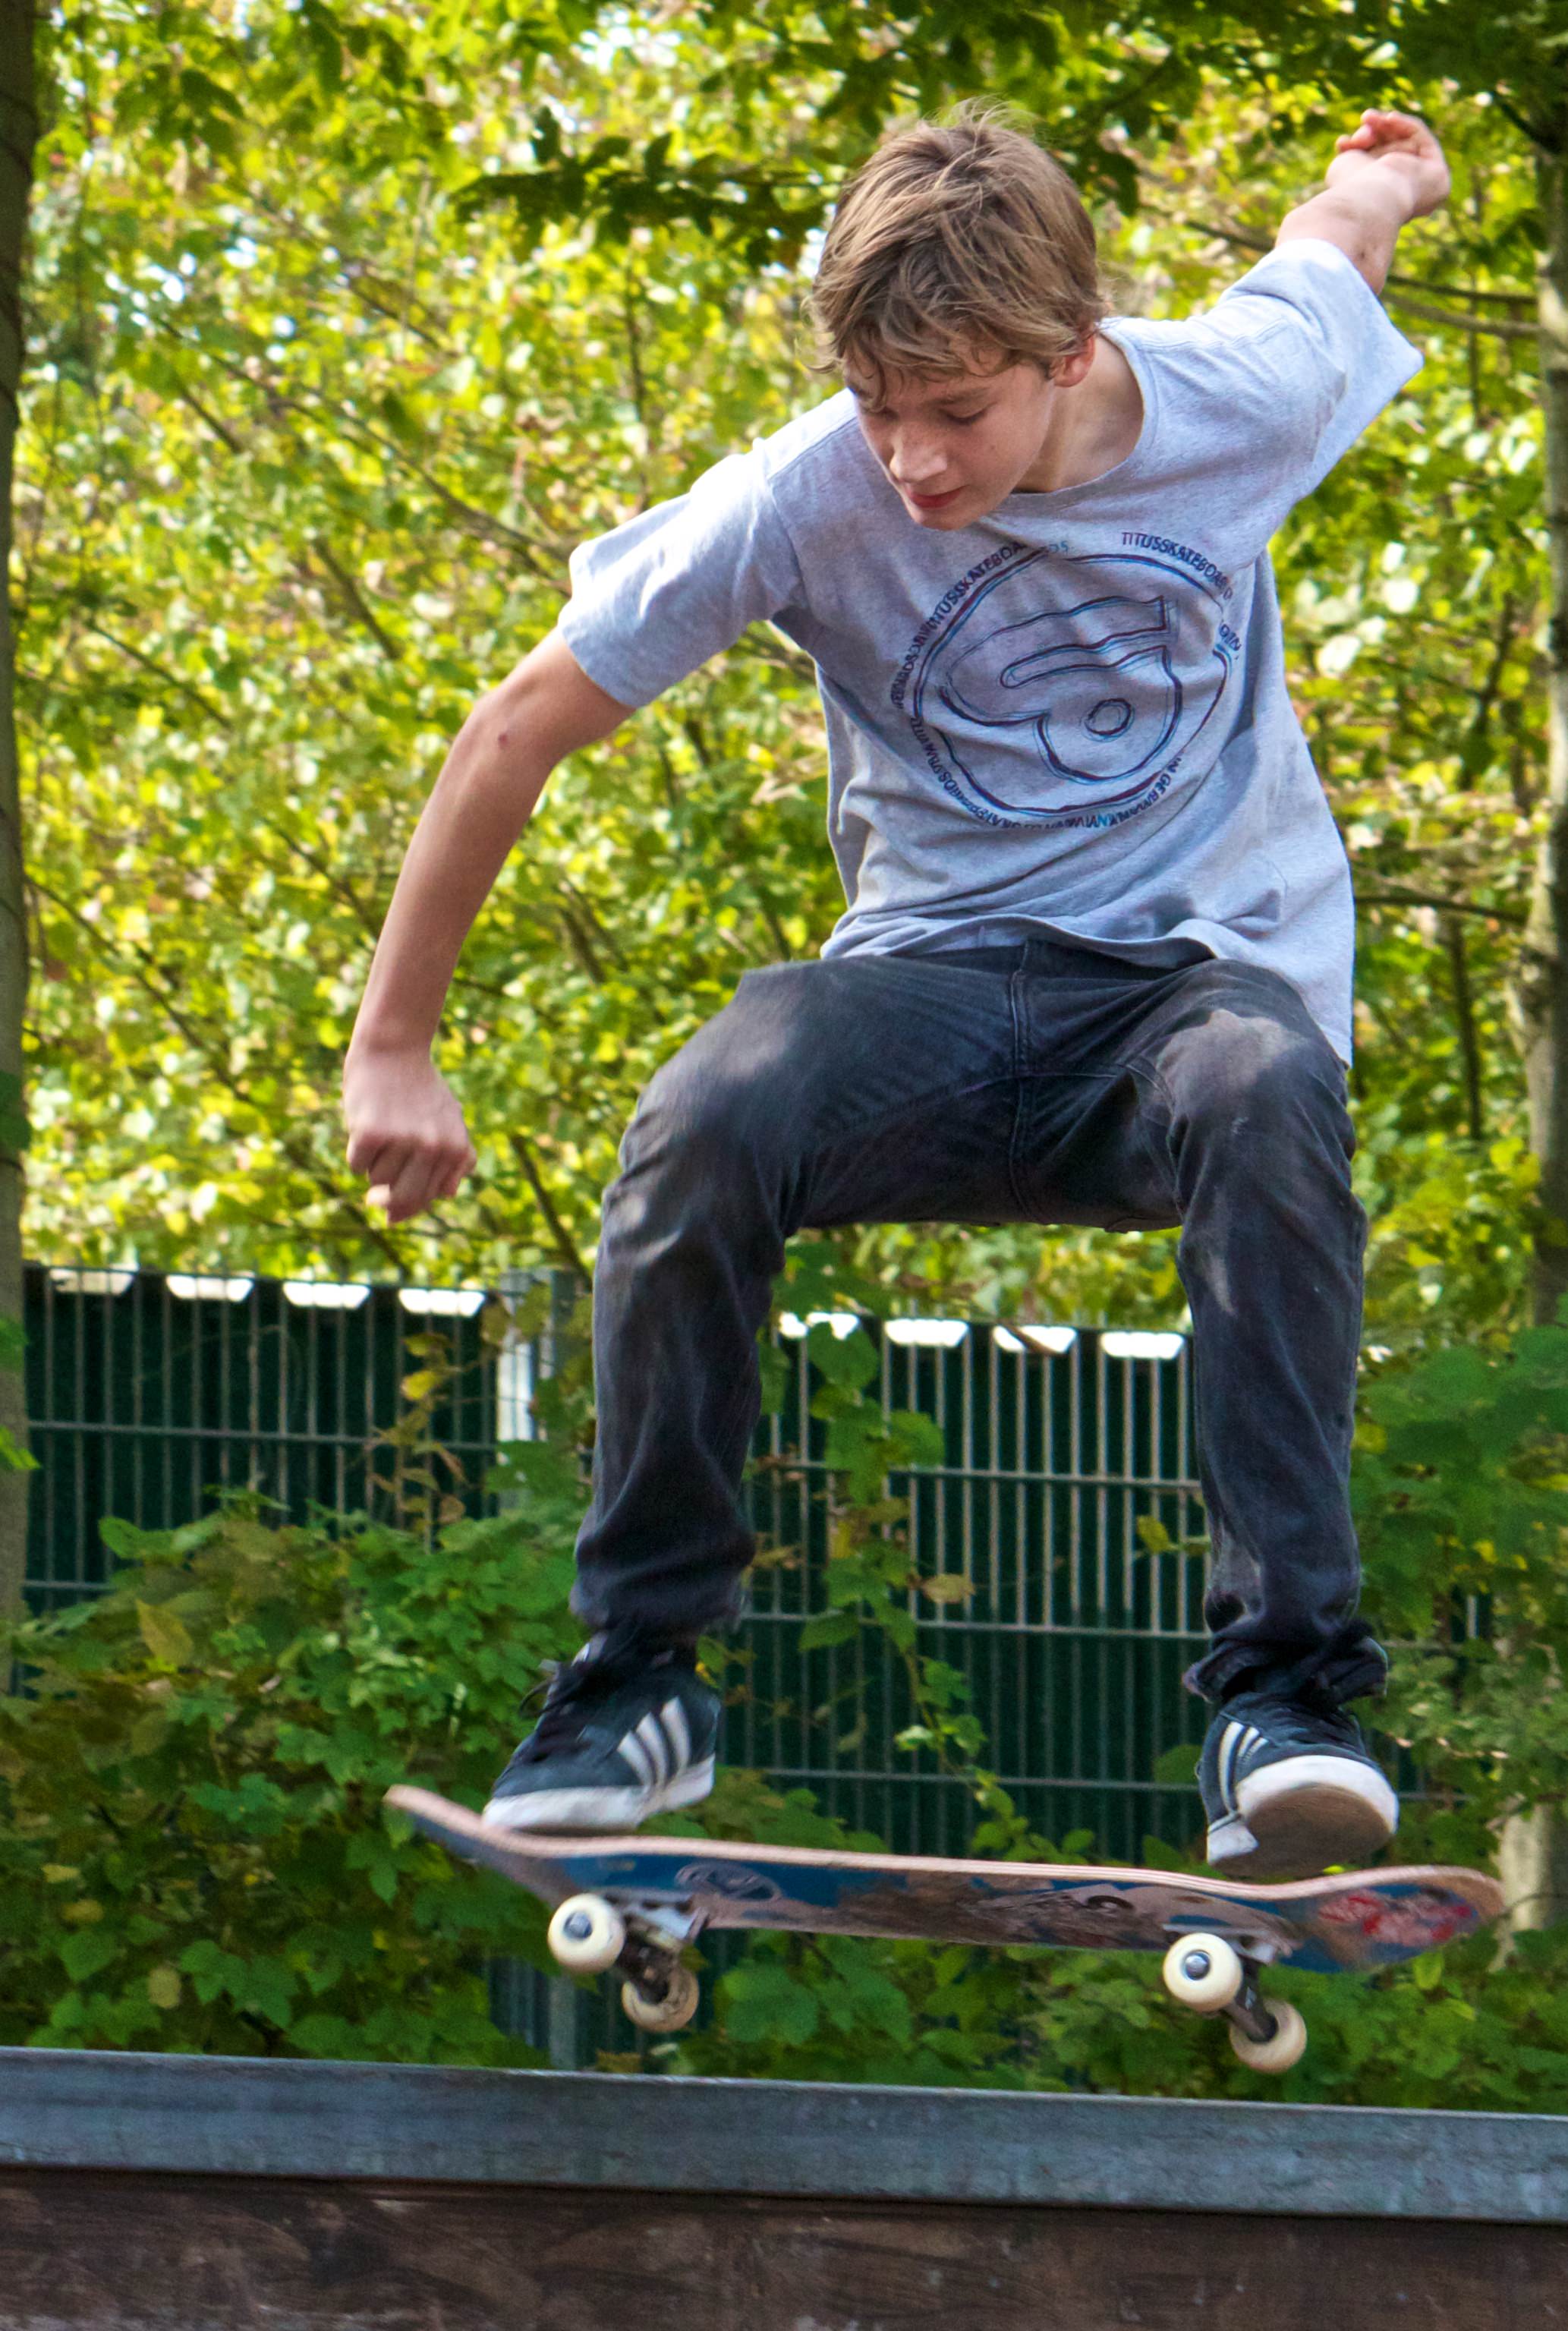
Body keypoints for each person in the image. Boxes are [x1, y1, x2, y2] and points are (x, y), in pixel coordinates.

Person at [342, 101, 1450, 1880]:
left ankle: (1287, 1700)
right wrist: (394, 1041)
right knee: (708, 1110)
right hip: (930, 996)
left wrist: (1379, 175)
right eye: (875, 408)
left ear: (1069, 350)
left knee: (1269, 1083)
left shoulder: (1244, 395)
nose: (910, 463)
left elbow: (1328, 255)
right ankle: (637, 1679)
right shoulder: (804, 494)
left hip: (1178, 1002)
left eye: (954, 412)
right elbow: (516, 727)